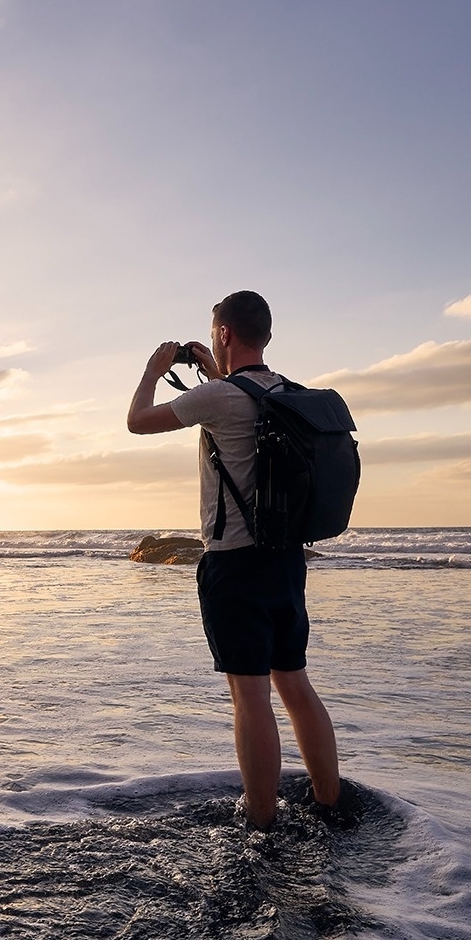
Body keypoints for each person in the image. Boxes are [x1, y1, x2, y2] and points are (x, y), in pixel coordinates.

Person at [125, 290, 342, 830]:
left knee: (250, 695)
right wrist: (210, 368)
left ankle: (262, 819)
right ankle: (329, 800)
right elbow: (237, 395)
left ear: (223, 333)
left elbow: (137, 420)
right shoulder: (290, 393)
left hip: (235, 565)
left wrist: (154, 370)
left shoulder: (217, 399)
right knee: (294, 682)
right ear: (265, 335)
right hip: (288, 560)